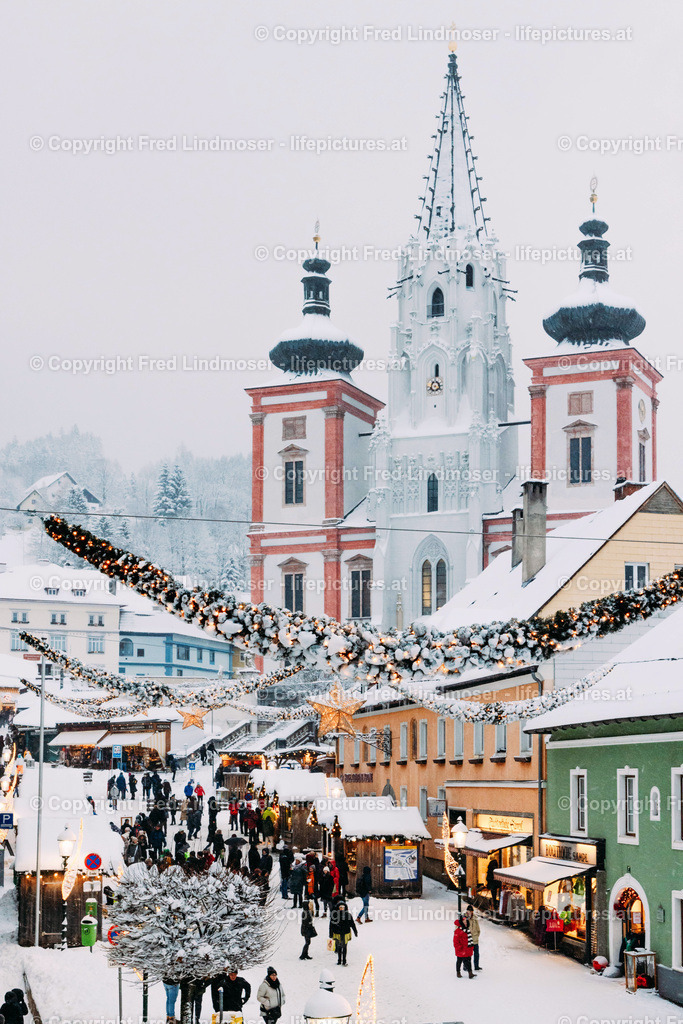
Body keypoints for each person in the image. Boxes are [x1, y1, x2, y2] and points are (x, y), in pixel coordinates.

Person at [329, 901, 357, 966]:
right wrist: (330, 933)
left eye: (343, 907)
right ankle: (339, 960)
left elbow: (352, 924)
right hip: (337, 933)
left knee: (344, 947)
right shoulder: (335, 915)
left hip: (345, 933)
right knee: (338, 947)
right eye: (340, 907)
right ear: (338, 908)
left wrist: (355, 931)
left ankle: (344, 960)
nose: (341, 908)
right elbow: (331, 925)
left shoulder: (348, 915)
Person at [465, 906, 482, 971]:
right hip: (467, 938)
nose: (470, 912)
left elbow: (478, 928)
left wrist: (477, 935)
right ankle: (466, 966)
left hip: (474, 938)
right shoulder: (464, 917)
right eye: (468, 911)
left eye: (471, 911)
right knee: (467, 954)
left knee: (476, 954)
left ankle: (476, 966)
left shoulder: (475, 918)